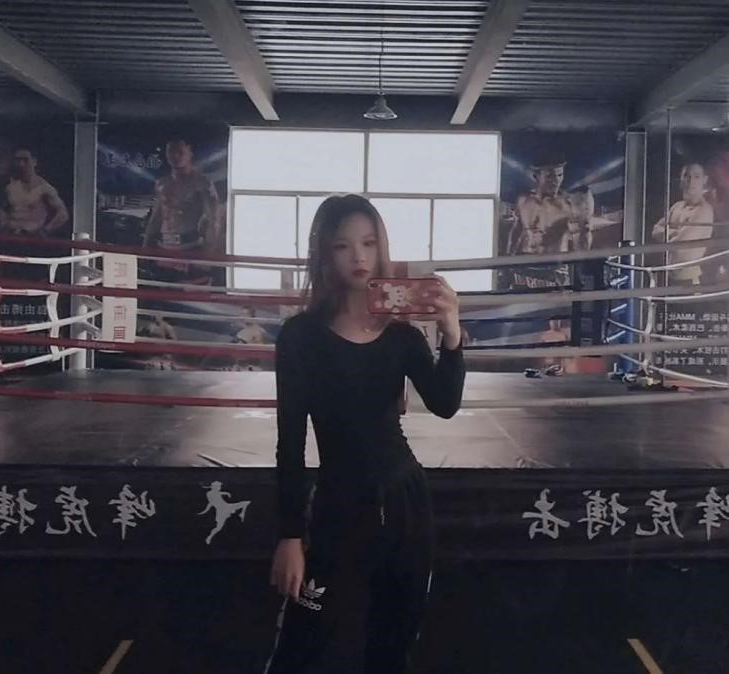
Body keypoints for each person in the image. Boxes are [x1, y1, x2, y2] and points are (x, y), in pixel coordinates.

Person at [263, 194, 465, 674]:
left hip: (406, 504)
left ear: (381, 249)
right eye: (343, 245)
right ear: (324, 253)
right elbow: (290, 441)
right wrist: (289, 535)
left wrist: (452, 334)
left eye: (369, 243)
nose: (358, 256)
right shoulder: (300, 337)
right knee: (302, 647)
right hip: (337, 509)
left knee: (392, 646)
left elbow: (445, 404)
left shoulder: (402, 337)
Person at [142, 138, 220, 284]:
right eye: (171, 152)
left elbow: (213, 220)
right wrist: (145, 246)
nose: (175, 156)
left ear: (189, 152)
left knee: (192, 291)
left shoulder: (202, 183)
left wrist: (208, 254)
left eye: (180, 151)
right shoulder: (162, 183)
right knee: (162, 291)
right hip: (164, 247)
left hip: (190, 246)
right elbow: (156, 217)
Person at [507, 158, 594, 255]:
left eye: (560, 175)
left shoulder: (567, 204)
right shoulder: (523, 201)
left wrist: (580, 261)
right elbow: (516, 230)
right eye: (549, 176)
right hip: (528, 259)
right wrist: (509, 256)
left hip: (556, 261)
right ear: (536, 177)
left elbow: (581, 244)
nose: (556, 181)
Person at [652, 162, 715, 286]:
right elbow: (655, 231)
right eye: (687, 176)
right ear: (681, 179)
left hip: (688, 280)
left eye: (696, 176)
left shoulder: (704, 210)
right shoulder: (676, 207)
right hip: (669, 277)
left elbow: (680, 246)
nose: (691, 181)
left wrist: (669, 233)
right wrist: (677, 233)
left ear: (704, 180)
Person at [0, 147, 69, 236]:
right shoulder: (10, 186)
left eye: (25, 160)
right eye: (18, 160)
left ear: (34, 161)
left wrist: (45, 230)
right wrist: (3, 223)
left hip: (31, 237)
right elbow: (2, 208)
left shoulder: (44, 188)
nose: (21, 164)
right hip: (11, 236)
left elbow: (63, 214)